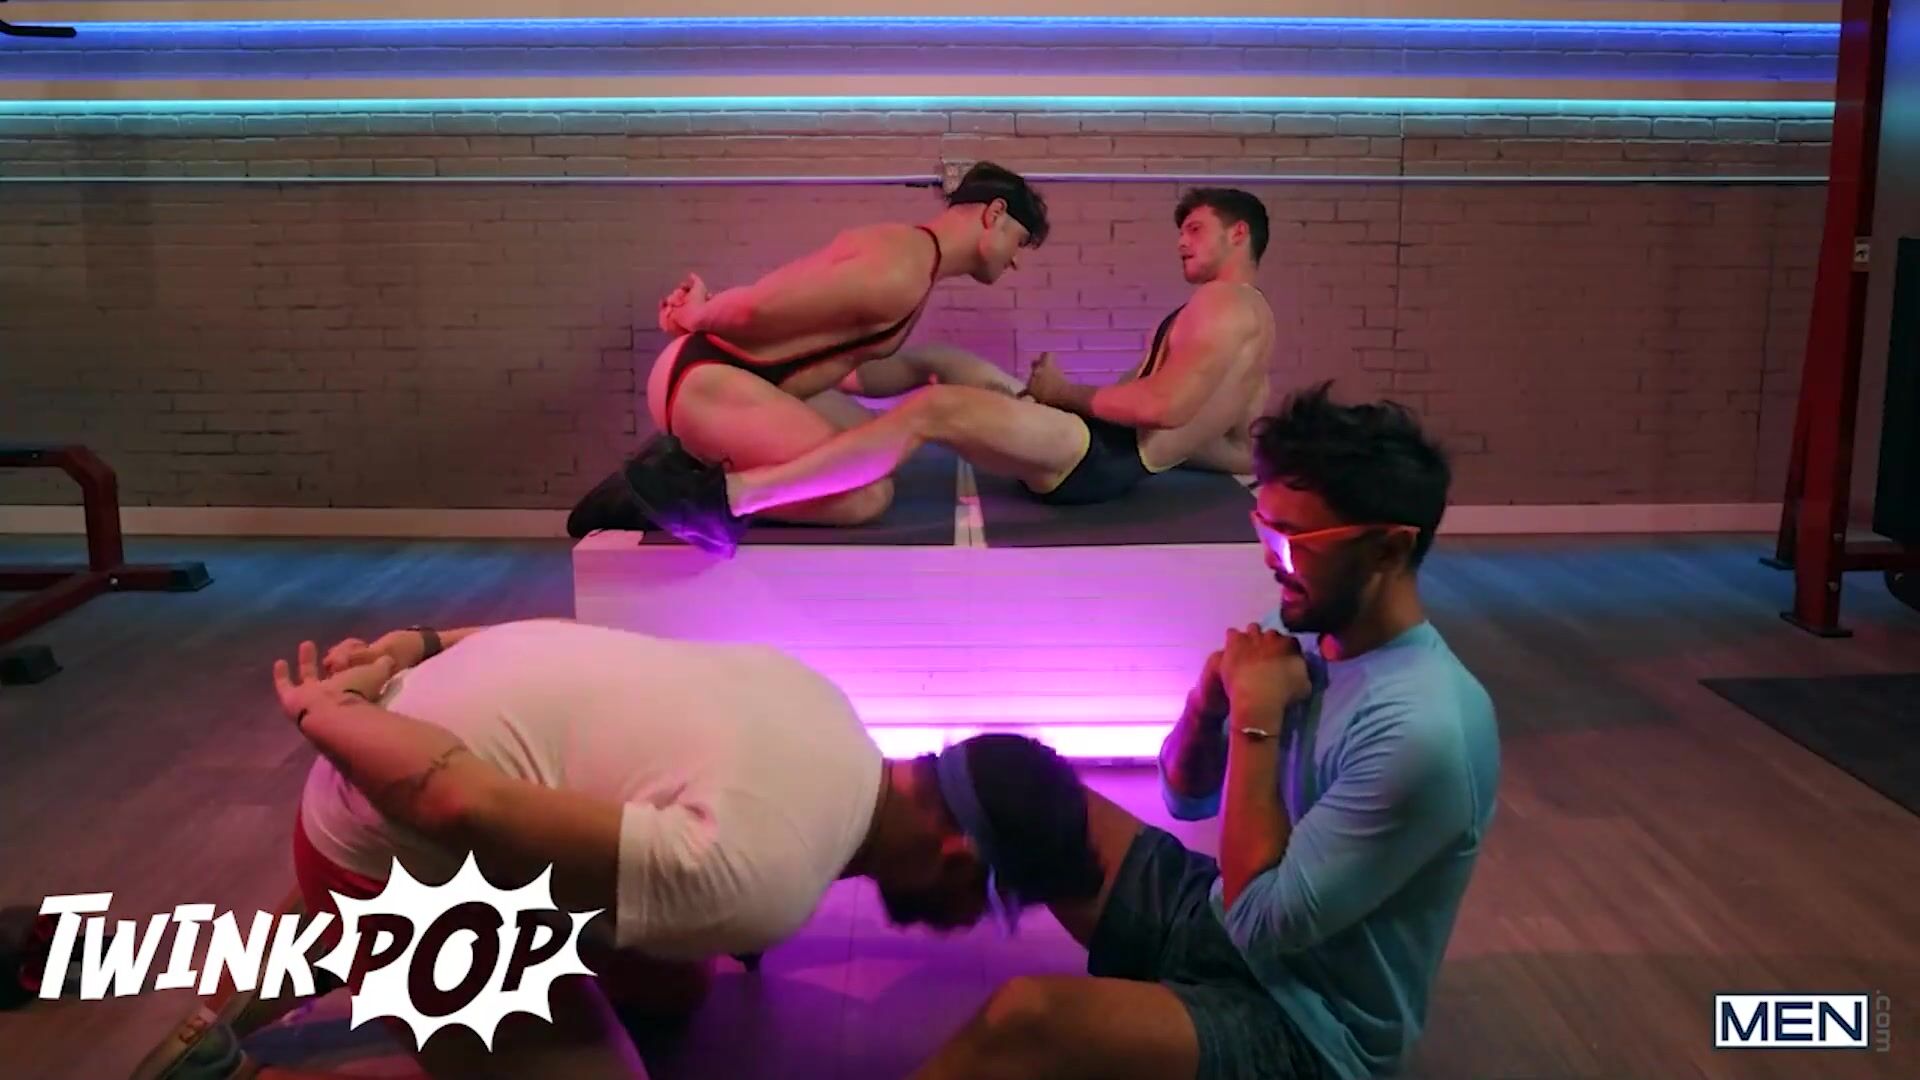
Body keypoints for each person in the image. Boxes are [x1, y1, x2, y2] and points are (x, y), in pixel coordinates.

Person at [131, 619, 1102, 1080]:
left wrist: (417, 647)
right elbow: (458, 802)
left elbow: (560, 641)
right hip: (387, 821)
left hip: (410, 732)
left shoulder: (820, 702)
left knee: (675, 982)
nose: (967, 927)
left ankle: (222, 1008)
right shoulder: (765, 873)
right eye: (990, 905)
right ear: (958, 859)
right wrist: (325, 714)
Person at [906, 383, 1501, 1080]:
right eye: (1264, 528)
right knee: (1001, 775)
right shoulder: (1307, 628)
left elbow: (1263, 922)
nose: (1272, 557)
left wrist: (1256, 718)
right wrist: (1208, 705)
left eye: (1295, 540)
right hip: (1218, 920)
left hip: (1307, 1027)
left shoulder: (1424, 729)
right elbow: (1185, 795)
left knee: (1025, 1019)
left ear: (1388, 550)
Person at [610, 187, 1278, 558]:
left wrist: (1062, 394)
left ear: (1239, 234)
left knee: (932, 411)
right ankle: (705, 463)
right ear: (992, 215)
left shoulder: (1221, 305)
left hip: (1096, 457)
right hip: (1102, 451)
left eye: (1195, 228)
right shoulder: (1251, 322)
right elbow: (1216, 441)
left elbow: (1161, 407)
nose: (1181, 241)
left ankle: (731, 497)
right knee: (945, 367)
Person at [565, 161, 1050, 540]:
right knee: (867, 495)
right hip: (704, 380)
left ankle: (698, 461)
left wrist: (953, 387)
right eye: (1020, 242)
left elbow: (834, 353)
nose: (1015, 263)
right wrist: (700, 315)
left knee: (868, 445)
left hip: (728, 376)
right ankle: (668, 492)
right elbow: (763, 305)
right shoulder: (900, 271)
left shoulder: (911, 255)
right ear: (994, 214)